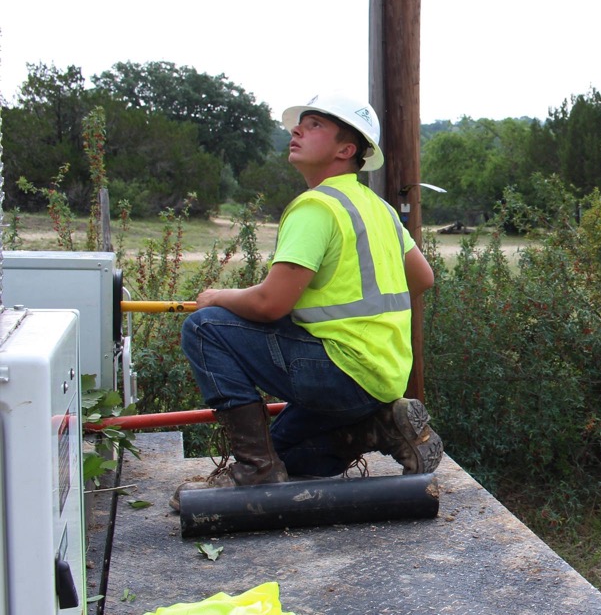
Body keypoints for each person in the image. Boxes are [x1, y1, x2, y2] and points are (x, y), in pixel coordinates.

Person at [171, 94, 441, 510]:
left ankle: (254, 469)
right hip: (381, 379)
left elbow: (268, 305)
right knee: (289, 454)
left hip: (340, 372)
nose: (297, 130)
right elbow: (423, 278)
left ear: (346, 149)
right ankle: (377, 428)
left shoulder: (317, 207)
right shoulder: (379, 209)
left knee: (204, 326)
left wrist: (214, 297)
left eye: (313, 125)